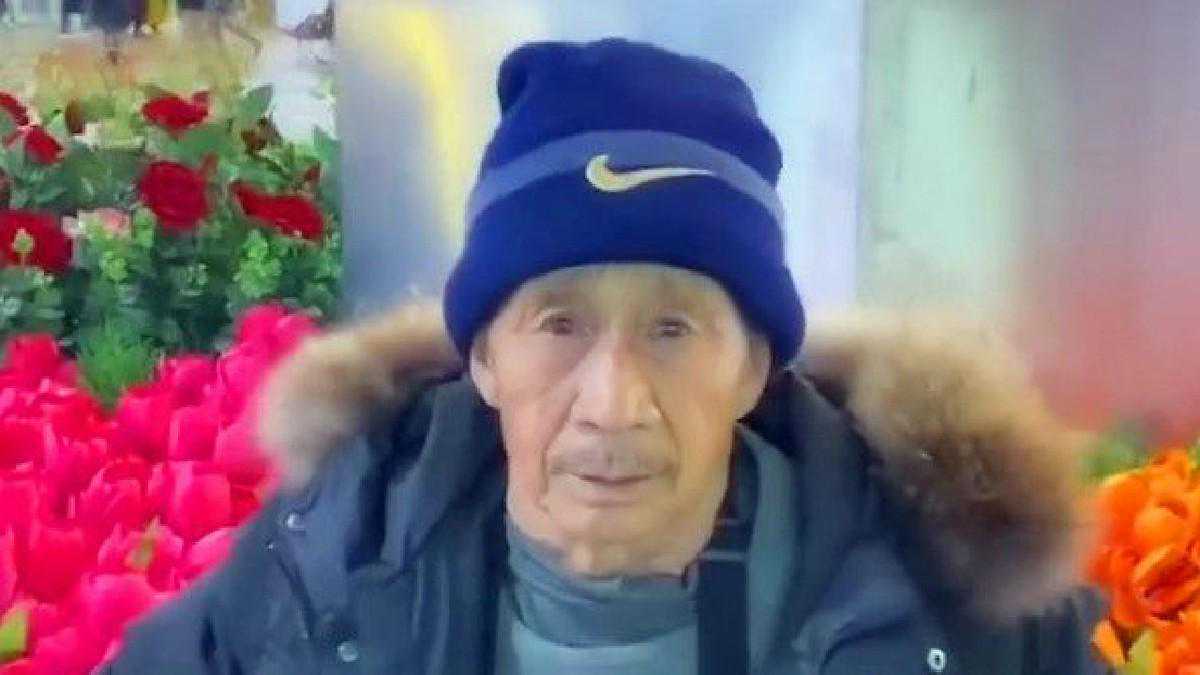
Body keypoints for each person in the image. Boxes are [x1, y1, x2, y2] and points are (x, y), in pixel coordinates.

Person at [103, 38, 1109, 674]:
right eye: (560, 325)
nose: (613, 402)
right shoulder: (325, 568)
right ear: (483, 359)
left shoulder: (955, 610)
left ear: (754, 367)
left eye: (674, 329)